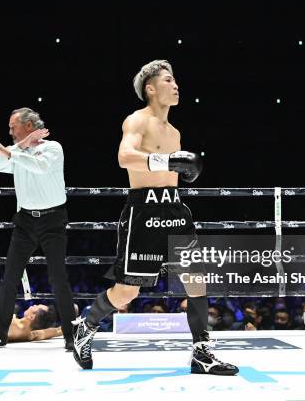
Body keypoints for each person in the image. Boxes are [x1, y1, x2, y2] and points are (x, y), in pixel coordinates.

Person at [70, 60, 238, 375]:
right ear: (150, 88)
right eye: (168, 80)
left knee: (196, 280)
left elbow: (170, 168)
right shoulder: (138, 120)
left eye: (175, 81)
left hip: (174, 209)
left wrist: (178, 166)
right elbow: (124, 157)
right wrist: (170, 160)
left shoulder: (175, 132)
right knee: (127, 291)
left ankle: (202, 353)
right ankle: (87, 325)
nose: (175, 85)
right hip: (143, 211)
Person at [0, 107, 75, 350]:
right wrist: (18, 147)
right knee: (9, 277)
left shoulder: (53, 148)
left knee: (58, 278)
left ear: (29, 126)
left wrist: (13, 151)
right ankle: (0, 334)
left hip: (53, 220)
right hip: (25, 221)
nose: (10, 131)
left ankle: (70, 335)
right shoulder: (17, 150)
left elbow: (39, 167)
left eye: (14, 126)